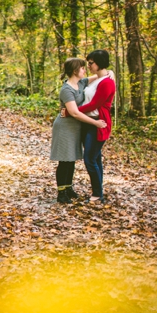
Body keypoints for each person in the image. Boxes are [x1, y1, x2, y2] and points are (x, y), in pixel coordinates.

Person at [50, 58, 107, 204]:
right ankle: (61, 193)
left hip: (76, 127)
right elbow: (74, 112)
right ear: (75, 70)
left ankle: (68, 188)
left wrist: (109, 72)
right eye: (82, 68)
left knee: (72, 159)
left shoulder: (81, 83)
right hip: (65, 127)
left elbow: (101, 75)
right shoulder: (66, 89)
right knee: (65, 160)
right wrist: (95, 122)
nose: (85, 70)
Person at [75, 50, 115, 203]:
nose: (89, 66)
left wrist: (73, 111)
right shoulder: (98, 79)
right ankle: (98, 192)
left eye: (91, 63)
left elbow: (94, 104)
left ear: (100, 63)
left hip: (98, 124)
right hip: (87, 122)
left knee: (90, 159)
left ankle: (98, 195)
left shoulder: (107, 82)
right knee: (95, 158)